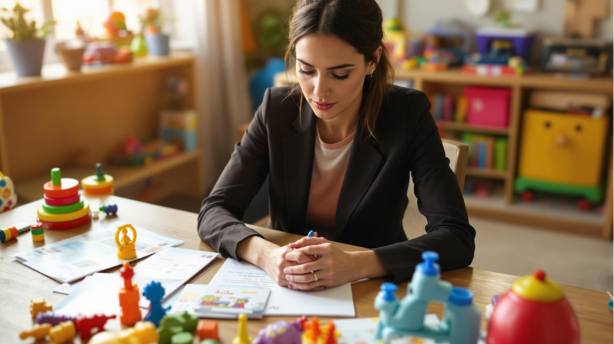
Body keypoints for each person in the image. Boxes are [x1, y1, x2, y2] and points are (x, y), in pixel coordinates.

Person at [198, 0, 475, 290]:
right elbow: (214, 210)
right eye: (306, 70)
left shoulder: (407, 114)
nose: (319, 91)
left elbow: (456, 237)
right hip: (285, 282)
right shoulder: (276, 110)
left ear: (373, 60)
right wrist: (265, 254)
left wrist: (354, 264)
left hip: (370, 285)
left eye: (340, 74)